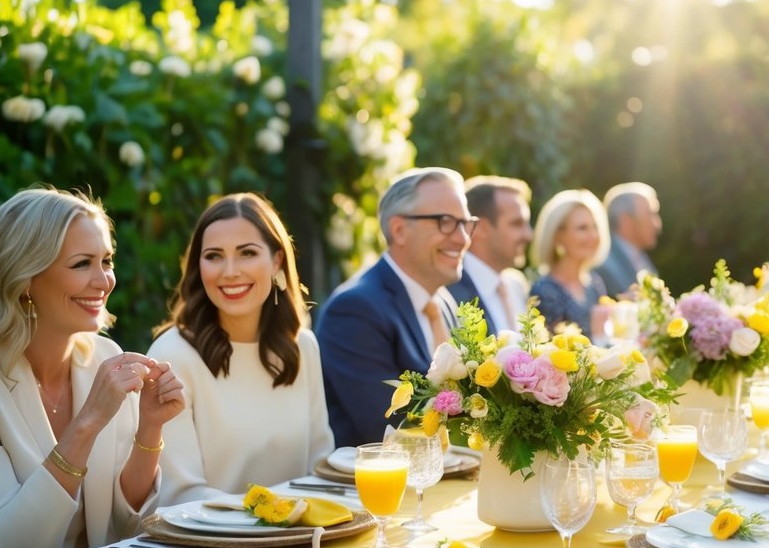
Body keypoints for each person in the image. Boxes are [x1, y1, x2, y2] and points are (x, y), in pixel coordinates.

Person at [0, 188, 185, 548]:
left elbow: (124, 528)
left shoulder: (101, 356)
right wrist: (87, 424)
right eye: (82, 265)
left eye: (107, 261)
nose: (104, 281)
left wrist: (149, 430)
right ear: (24, 278)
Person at [149, 193, 333, 505]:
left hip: (300, 541)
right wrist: (273, 514)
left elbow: (320, 468)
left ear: (276, 260)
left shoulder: (303, 346)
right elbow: (180, 495)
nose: (230, 271)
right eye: (214, 256)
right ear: (199, 266)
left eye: (247, 253)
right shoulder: (173, 356)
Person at [317, 168, 475, 446]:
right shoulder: (354, 310)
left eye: (465, 223)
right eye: (446, 222)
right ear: (399, 230)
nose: (463, 239)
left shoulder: (443, 302)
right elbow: (391, 427)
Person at [447, 175, 533, 335]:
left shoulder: (516, 286)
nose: (528, 235)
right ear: (480, 228)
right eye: (516, 224)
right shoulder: (449, 290)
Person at [529, 189, 610, 337]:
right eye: (582, 228)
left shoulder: (595, 284)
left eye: (595, 227)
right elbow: (550, 353)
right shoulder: (545, 291)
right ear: (558, 236)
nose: (593, 236)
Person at [594, 182, 662, 297]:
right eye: (650, 214)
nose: (657, 225)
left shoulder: (642, 259)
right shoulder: (602, 266)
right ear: (626, 221)